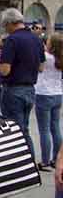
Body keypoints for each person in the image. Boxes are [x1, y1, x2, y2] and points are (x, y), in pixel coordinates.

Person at [0, 8, 45, 160]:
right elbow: (41, 67)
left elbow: (5, 70)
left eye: (5, 26)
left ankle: (20, 164)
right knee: (24, 129)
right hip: (30, 89)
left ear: (10, 23)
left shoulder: (11, 40)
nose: (6, 29)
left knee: (14, 131)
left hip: (13, 90)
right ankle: (28, 162)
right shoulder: (36, 39)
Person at [34, 34, 63, 171]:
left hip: (43, 93)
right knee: (55, 127)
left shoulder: (45, 56)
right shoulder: (60, 58)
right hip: (57, 93)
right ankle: (55, 158)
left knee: (44, 129)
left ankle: (45, 161)